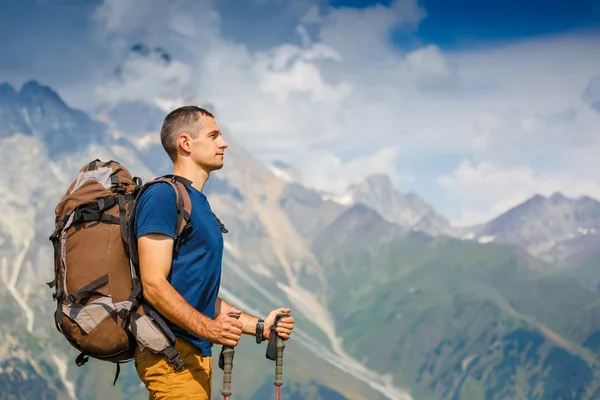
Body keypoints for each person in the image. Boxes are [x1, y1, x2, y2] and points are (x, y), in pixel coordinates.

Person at [132, 105, 295, 399]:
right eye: (214, 135)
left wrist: (260, 327)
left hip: (194, 357)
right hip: (171, 356)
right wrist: (209, 329)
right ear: (185, 143)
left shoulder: (199, 203)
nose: (224, 143)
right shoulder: (162, 196)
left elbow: (199, 295)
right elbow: (153, 285)